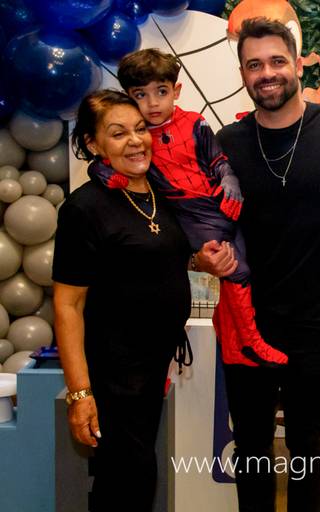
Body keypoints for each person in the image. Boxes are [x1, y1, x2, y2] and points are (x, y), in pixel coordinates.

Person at [209, 17, 320, 512]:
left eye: (277, 61)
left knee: (308, 444)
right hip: (246, 319)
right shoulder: (226, 143)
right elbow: (200, 218)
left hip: (318, 320)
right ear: (243, 73)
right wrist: (201, 253)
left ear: (299, 65)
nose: (267, 73)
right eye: (254, 64)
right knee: (252, 446)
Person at [88, 48, 287, 367]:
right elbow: (101, 163)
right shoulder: (140, 139)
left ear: (176, 90)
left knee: (238, 267)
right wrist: (107, 175)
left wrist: (229, 178)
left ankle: (232, 343)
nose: (153, 103)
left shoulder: (195, 123)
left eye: (161, 92)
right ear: (129, 97)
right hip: (189, 212)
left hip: (218, 204)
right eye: (141, 95)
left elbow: (217, 159)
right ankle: (250, 341)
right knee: (236, 269)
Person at [53, 90, 194, 511]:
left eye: (140, 129)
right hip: (113, 373)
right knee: (129, 477)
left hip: (152, 368)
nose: (135, 141)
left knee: (130, 476)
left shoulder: (160, 192)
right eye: (118, 134)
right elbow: (68, 305)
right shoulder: (84, 208)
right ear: (94, 144)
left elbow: (160, 260)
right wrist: (80, 395)